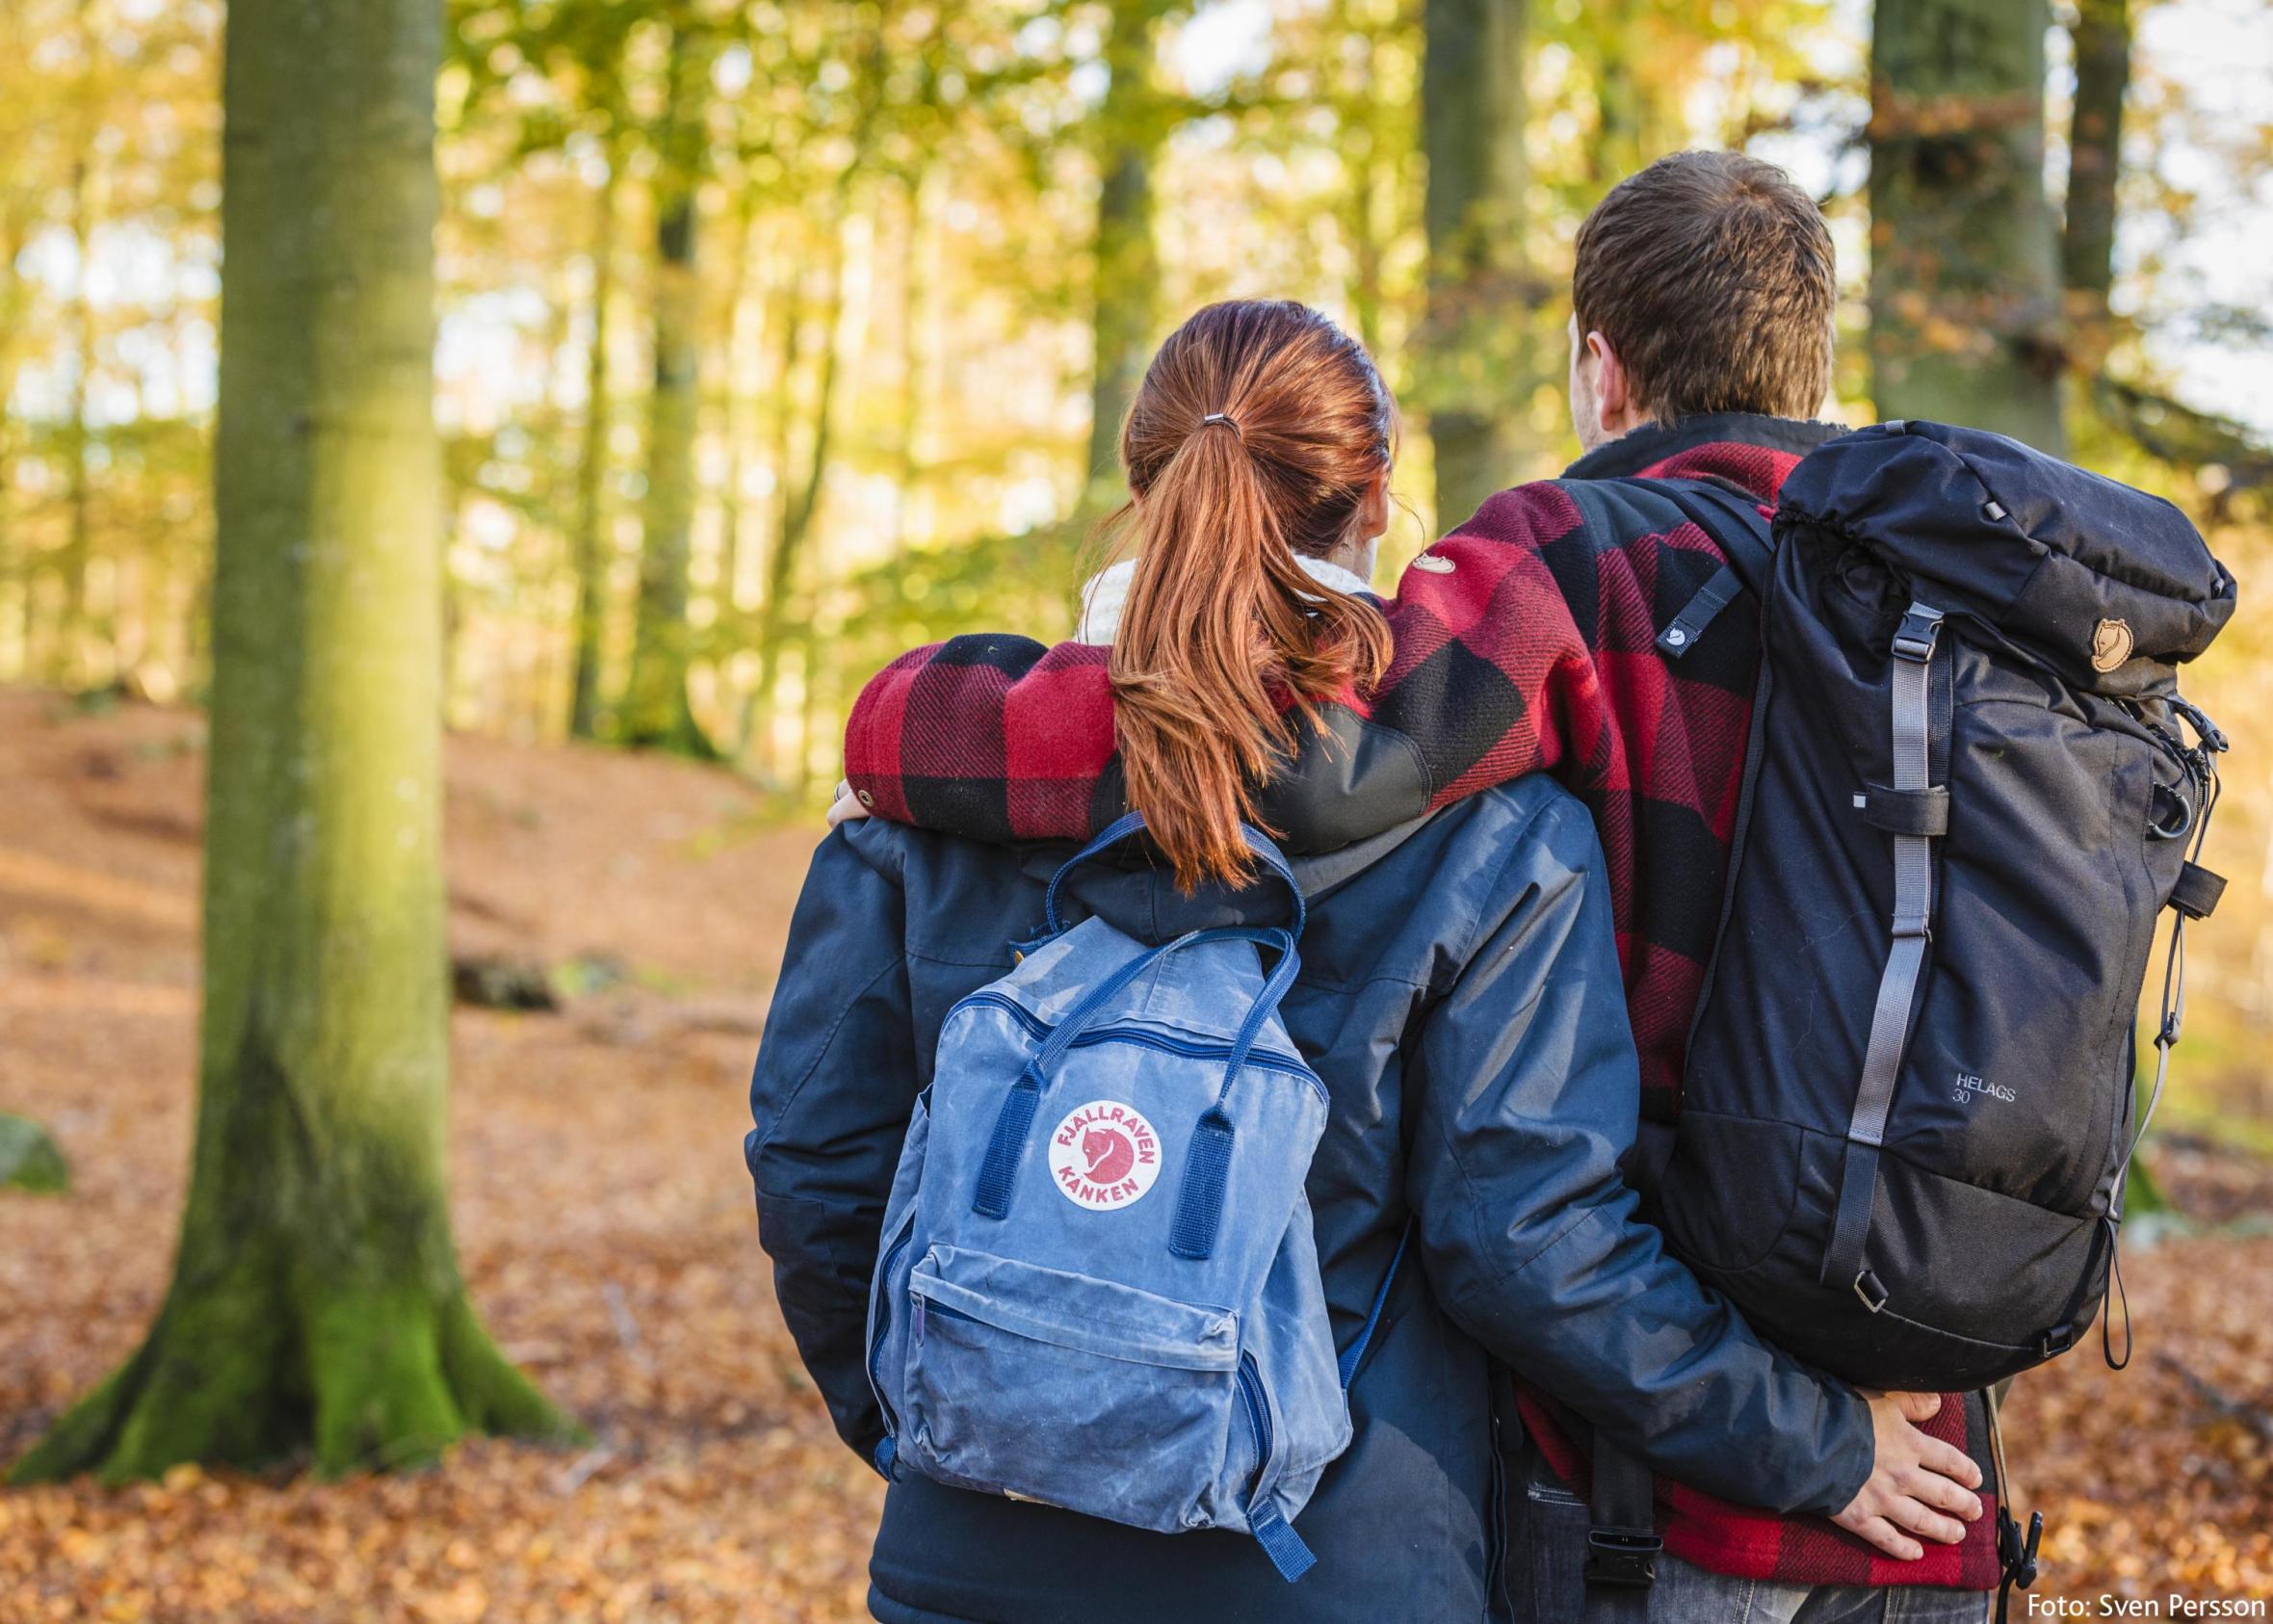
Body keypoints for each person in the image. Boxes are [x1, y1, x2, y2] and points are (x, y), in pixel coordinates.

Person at [828, 154, 2008, 1616]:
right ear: (1819, 364)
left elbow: (1306, 765)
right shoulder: (1961, 601)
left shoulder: (1564, 566)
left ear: (1600, 370)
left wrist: (906, 725)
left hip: (1641, 1487)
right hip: (1935, 1452)